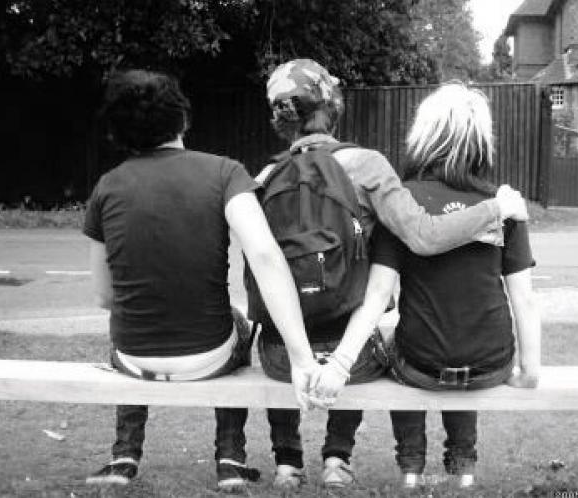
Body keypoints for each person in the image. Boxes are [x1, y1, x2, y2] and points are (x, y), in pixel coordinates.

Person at [253, 60, 531, 490]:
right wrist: (496, 208)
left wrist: (299, 356)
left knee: (277, 332)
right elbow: (423, 235)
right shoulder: (367, 166)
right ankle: (337, 457)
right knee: (377, 334)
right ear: (333, 106)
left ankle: (287, 461)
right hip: (351, 356)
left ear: (280, 119)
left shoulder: (265, 177)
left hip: (280, 356)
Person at [82, 69, 319, 492]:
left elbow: (104, 297)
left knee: (124, 324)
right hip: (210, 354)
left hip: (134, 358)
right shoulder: (225, 173)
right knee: (238, 321)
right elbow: (265, 255)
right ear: (183, 118)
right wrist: (301, 357)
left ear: (119, 131)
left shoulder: (106, 187)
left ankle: (124, 456)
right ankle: (230, 459)